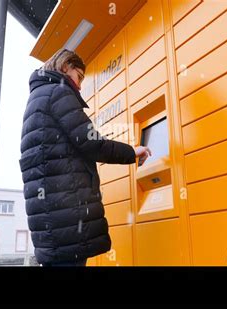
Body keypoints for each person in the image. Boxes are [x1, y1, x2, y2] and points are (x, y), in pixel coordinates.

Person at [19, 48, 151, 267]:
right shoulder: (58, 92)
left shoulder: (36, 98)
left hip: (50, 220)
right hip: (67, 216)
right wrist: (131, 152)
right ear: (65, 67)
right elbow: (90, 142)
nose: (80, 85)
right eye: (79, 77)